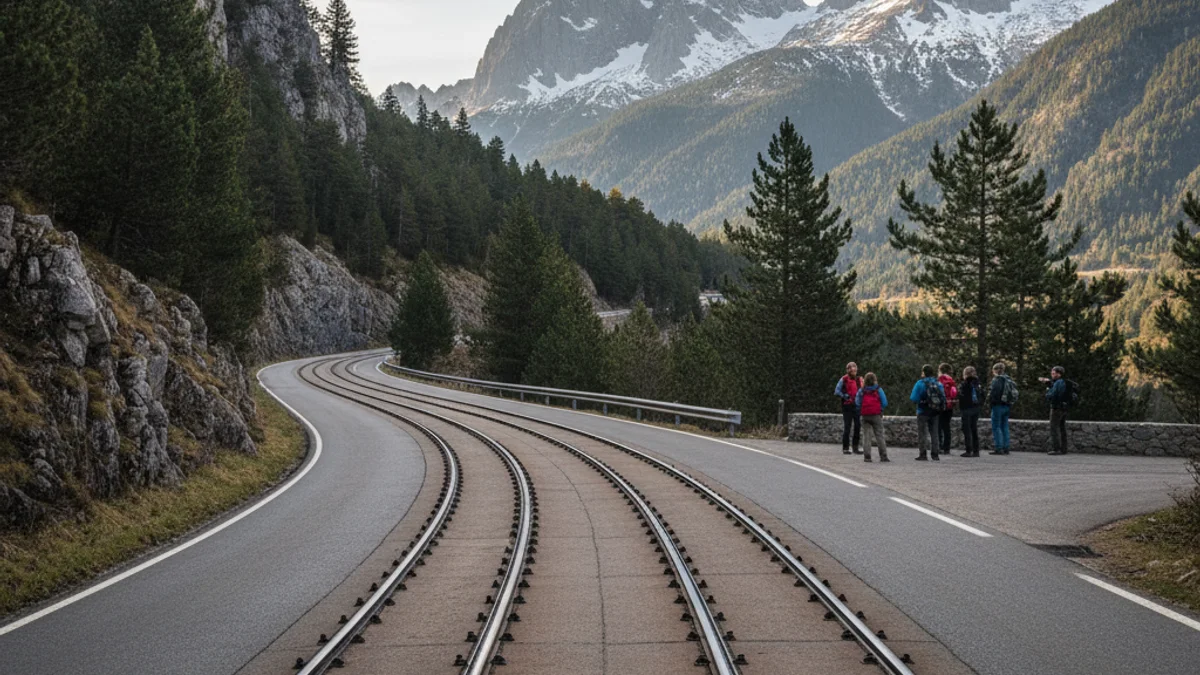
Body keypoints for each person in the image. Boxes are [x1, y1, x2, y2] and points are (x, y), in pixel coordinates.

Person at [909, 364, 946, 461]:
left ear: (924, 372)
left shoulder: (920, 383)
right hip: (935, 411)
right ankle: (935, 454)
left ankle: (923, 454)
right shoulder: (938, 383)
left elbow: (913, 398)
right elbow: (943, 397)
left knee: (922, 433)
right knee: (934, 433)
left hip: (922, 411)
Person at [855, 372, 889, 463]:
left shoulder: (862, 390)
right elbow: (885, 402)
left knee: (866, 436)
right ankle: (883, 456)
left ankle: (867, 456)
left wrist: (861, 410)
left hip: (865, 415)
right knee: (879, 435)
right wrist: (880, 409)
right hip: (876, 415)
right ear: (874, 380)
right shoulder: (878, 389)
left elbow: (857, 402)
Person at [834, 362, 864, 455]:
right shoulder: (843, 379)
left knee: (858, 426)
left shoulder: (859, 380)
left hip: (857, 405)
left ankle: (855, 447)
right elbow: (837, 391)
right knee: (847, 426)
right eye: (851, 369)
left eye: (854, 369)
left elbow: (863, 391)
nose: (853, 371)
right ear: (848, 370)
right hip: (847, 405)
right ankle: (845, 448)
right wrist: (844, 396)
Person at [988, 362, 1017, 455]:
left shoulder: (997, 380)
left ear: (995, 370)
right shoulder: (1008, 379)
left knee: (996, 427)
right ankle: (1006, 447)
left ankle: (998, 447)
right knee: (1004, 426)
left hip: (998, 406)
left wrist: (990, 403)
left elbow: (993, 393)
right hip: (1007, 406)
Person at [1041, 366, 1070, 455]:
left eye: (1053, 373)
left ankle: (1056, 448)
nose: (1052, 375)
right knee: (1062, 428)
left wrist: (1048, 391)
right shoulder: (1065, 382)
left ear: (1058, 374)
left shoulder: (1058, 383)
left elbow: (1053, 395)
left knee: (1054, 428)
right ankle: (1063, 448)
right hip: (1064, 408)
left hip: (1056, 408)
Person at [958, 366, 983, 457]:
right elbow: (982, 395)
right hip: (976, 408)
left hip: (966, 409)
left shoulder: (964, 384)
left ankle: (969, 450)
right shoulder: (978, 383)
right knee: (974, 429)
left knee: (967, 430)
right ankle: (976, 451)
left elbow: (961, 396)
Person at [936, 363, 958, 456]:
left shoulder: (939, 379)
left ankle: (939, 446)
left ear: (940, 370)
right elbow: (954, 393)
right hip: (949, 406)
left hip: (940, 406)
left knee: (938, 427)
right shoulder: (951, 380)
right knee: (947, 427)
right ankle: (947, 448)